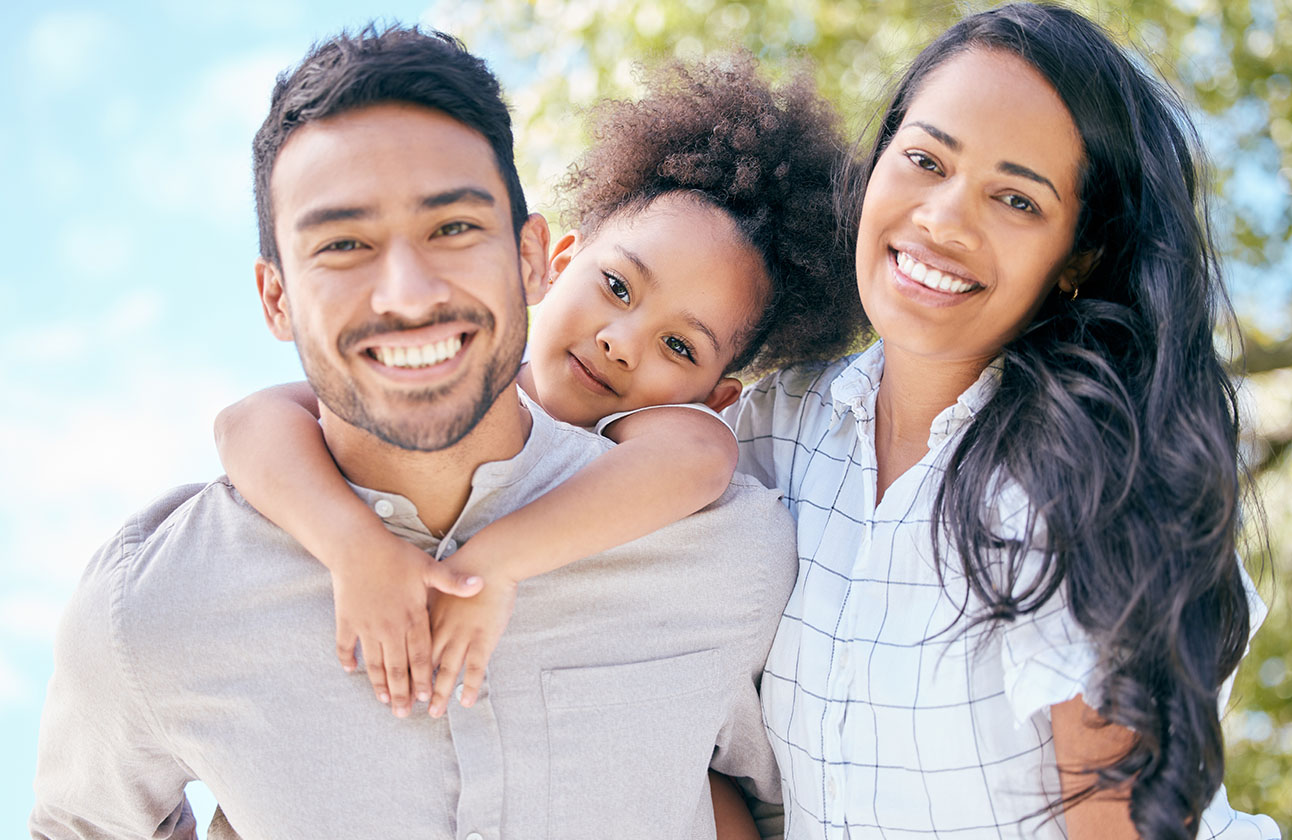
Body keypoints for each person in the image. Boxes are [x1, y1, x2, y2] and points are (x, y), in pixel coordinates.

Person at [30, 26, 803, 839]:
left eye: (453, 228)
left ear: (530, 255)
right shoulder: (161, 602)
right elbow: (249, 423)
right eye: (343, 244)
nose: (405, 293)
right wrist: (351, 544)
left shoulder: (724, 550)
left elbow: (804, 804)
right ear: (275, 299)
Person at [724, 4, 1280, 839]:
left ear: (1080, 257)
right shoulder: (772, 426)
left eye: (1017, 200)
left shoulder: (1093, 478)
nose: (943, 219)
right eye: (922, 159)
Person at [212, 54, 860, 730]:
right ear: (551, 261)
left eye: (679, 347)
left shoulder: (644, 447)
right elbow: (247, 423)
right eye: (617, 287)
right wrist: (354, 547)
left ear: (716, 395)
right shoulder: (445, 388)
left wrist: (495, 563)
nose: (621, 341)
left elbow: (700, 458)